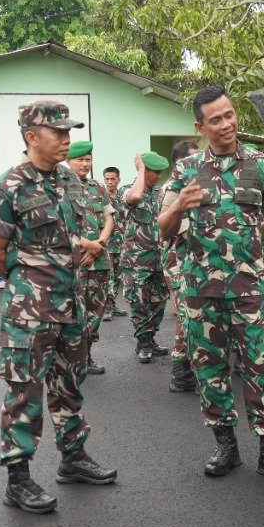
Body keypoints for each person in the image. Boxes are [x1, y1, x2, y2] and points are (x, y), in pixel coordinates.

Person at [0, 101, 117, 514]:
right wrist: (30, 281)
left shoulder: (66, 181)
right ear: (31, 136)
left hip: (71, 302)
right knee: (25, 392)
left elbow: (69, 234)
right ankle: (18, 480)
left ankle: (73, 459)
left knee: (69, 386)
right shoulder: (8, 187)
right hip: (31, 311)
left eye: (68, 131)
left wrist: (77, 254)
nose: (66, 139)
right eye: (58, 132)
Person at [159, 86, 264, 485]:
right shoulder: (185, 171)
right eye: (216, 119)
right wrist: (178, 208)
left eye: (230, 114)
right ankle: (225, 445)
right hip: (200, 291)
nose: (227, 124)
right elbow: (164, 229)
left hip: (249, 289)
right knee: (210, 371)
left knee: (261, 367)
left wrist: (245, 247)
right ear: (200, 127)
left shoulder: (262, 165)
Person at [65, 140, 115, 374]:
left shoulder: (98, 187)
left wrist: (100, 244)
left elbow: (109, 219)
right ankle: (72, 359)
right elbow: (59, 225)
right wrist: (86, 245)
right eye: (80, 160)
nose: (85, 164)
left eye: (88, 159)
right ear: (68, 161)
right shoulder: (59, 187)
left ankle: (87, 357)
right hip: (75, 262)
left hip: (100, 261)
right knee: (75, 313)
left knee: (95, 313)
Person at [121, 153, 171, 363]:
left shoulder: (160, 194)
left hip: (159, 259)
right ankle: (142, 343)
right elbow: (133, 198)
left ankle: (150, 339)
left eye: (160, 172)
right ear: (144, 171)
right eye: (154, 172)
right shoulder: (127, 191)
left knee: (158, 302)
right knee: (139, 303)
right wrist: (140, 170)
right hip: (137, 260)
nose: (158, 176)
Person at [163, 139, 201, 393]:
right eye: (192, 158)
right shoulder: (173, 187)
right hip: (180, 259)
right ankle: (181, 370)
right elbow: (180, 229)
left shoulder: (195, 184)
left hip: (194, 259)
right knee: (185, 312)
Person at [101, 166, 127, 321]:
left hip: (123, 243)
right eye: (107, 179)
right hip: (108, 244)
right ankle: (107, 307)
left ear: (118, 179)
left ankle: (113, 304)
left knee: (117, 277)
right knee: (109, 277)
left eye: (113, 179)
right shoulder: (102, 197)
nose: (110, 182)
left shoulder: (123, 198)